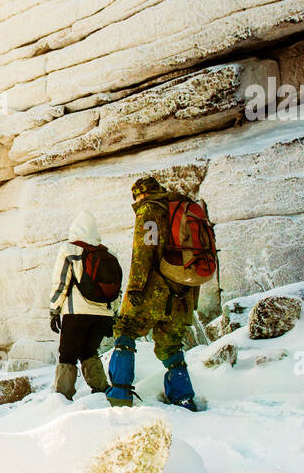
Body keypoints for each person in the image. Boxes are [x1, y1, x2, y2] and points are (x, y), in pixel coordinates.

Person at [106, 176, 204, 411]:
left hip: (153, 291)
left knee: (125, 331)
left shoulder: (149, 210)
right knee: (171, 345)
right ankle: (183, 399)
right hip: (183, 293)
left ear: (140, 194)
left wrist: (136, 287)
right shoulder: (181, 210)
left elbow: (144, 251)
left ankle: (120, 394)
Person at [48, 210, 120, 400]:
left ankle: (62, 398)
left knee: (67, 356)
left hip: (76, 312)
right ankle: (101, 390)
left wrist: (54, 310)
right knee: (89, 351)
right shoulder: (109, 254)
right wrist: (114, 315)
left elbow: (61, 282)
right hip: (103, 315)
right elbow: (116, 289)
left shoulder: (70, 250)